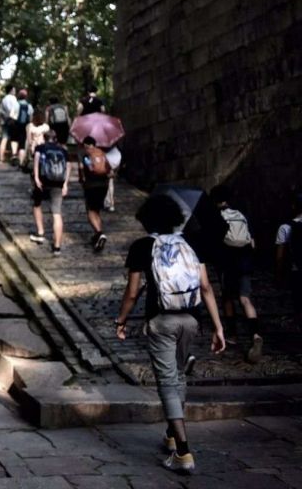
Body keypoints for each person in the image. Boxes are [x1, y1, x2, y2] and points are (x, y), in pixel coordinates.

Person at [115, 194, 225, 475]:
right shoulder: (191, 243)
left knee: (166, 381)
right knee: (177, 375)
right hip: (190, 320)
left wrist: (122, 320)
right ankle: (172, 434)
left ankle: (184, 452)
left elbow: (131, 292)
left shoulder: (142, 246)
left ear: (147, 219)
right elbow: (206, 287)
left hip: (161, 321)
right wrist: (218, 327)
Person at [209, 185, 262, 362]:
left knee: (227, 298)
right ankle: (255, 334)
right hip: (244, 261)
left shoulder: (216, 217)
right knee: (245, 298)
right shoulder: (241, 215)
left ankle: (232, 333)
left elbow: (215, 243)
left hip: (228, 263)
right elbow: (253, 243)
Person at [29, 129, 70, 256]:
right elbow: (68, 166)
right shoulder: (63, 150)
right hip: (58, 183)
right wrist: (65, 184)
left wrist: (36, 178)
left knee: (37, 205)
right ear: (56, 138)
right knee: (57, 214)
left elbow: (36, 161)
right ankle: (57, 247)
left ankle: (40, 233)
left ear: (45, 138)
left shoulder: (40, 148)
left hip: (43, 181)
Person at [77, 136, 110, 252]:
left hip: (91, 185)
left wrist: (81, 178)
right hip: (104, 184)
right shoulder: (102, 153)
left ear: (86, 145)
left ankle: (99, 233)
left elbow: (85, 168)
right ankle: (97, 237)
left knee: (90, 211)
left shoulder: (85, 155)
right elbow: (108, 169)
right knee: (97, 210)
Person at [275, 192, 302, 327]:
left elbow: (280, 255)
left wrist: (279, 274)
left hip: (296, 268)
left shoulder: (285, 227)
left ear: (293, 207)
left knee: (297, 298)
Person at [0, 85, 19, 164]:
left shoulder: (4, 99)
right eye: (14, 89)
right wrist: (13, 118)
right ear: (11, 90)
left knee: (4, 139)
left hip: (5, 121)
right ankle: (14, 155)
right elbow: (15, 109)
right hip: (12, 121)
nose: (15, 91)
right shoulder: (13, 98)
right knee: (14, 139)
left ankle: (1, 159)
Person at [13, 89, 33, 166]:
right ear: (26, 97)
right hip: (25, 126)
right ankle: (21, 162)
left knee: (15, 141)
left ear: (19, 96)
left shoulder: (15, 104)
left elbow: (12, 116)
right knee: (22, 144)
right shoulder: (29, 106)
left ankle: (15, 157)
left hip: (16, 125)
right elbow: (31, 118)